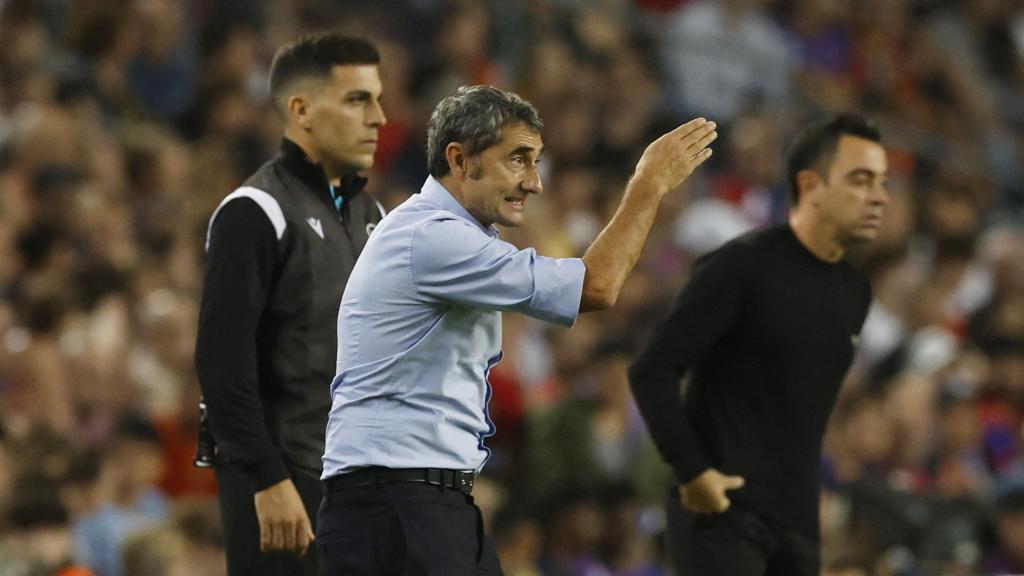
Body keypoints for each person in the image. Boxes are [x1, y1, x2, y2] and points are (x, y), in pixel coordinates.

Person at [317, 85, 717, 575]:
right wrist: (648, 184)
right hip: (397, 503)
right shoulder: (432, 237)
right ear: (460, 159)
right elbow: (596, 286)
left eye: (536, 162)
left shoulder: (441, 234)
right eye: (518, 160)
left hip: (416, 499)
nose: (535, 183)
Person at [628, 113, 889, 576]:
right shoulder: (741, 266)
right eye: (860, 180)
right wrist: (692, 471)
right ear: (811, 185)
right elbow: (653, 368)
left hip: (797, 523)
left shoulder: (855, 292)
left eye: (881, 182)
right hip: (724, 514)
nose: (879, 197)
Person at [194, 33, 386, 576]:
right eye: (357, 100)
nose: (378, 117)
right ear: (301, 110)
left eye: (377, 99)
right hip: (285, 483)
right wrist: (266, 479)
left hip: (357, 479)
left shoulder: (372, 215)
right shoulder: (255, 211)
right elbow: (221, 365)